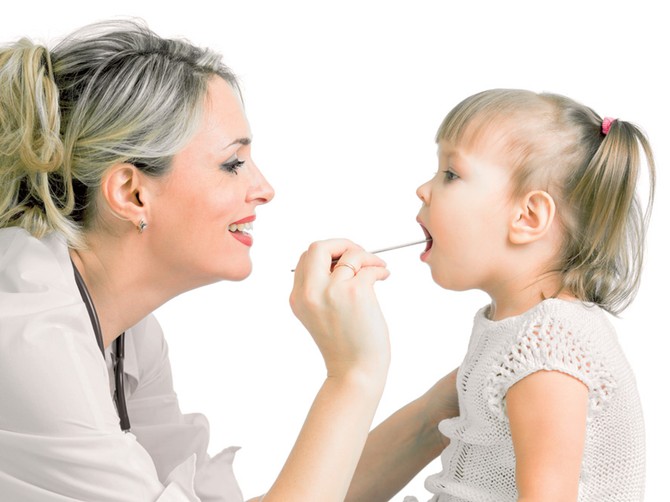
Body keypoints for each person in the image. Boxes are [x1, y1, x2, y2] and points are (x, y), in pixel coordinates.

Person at [0, 20, 460, 502]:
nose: (264, 189)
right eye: (233, 164)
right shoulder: (34, 341)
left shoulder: (128, 336)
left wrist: (443, 410)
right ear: (132, 193)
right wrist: (354, 373)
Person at [381, 89, 653, 501]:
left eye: (451, 174)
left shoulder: (547, 351)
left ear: (527, 217)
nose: (423, 189)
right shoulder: (521, 327)